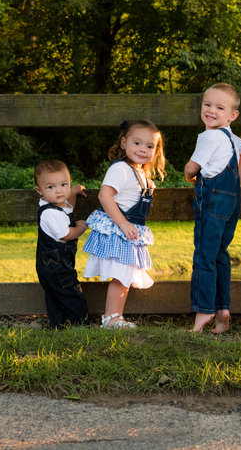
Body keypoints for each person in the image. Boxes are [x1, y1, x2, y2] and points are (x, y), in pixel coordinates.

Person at [82, 119, 166, 329]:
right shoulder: (120, 169)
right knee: (121, 275)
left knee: (125, 276)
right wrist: (122, 223)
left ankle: (115, 317)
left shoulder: (141, 173)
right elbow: (105, 196)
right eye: (137, 143)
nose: (143, 149)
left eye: (149, 146)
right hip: (118, 230)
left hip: (128, 232)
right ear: (123, 143)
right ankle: (111, 318)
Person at [184, 83, 241, 333]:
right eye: (207, 105)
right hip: (232, 201)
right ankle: (223, 310)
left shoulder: (210, 136)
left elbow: (191, 169)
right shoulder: (231, 137)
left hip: (212, 203)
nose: (211, 110)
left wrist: (188, 174)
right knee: (220, 254)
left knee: (204, 254)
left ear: (232, 115)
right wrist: (238, 183)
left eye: (219, 107)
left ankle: (204, 311)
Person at [34, 160, 90, 329]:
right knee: (71, 292)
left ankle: (57, 325)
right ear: (39, 191)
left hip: (50, 265)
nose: (59, 190)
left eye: (63, 184)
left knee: (54, 295)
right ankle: (81, 323)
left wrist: (73, 191)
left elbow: (68, 207)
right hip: (56, 266)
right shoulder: (50, 213)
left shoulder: (58, 205)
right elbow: (66, 234)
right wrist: (81, 227)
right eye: (51, 187)